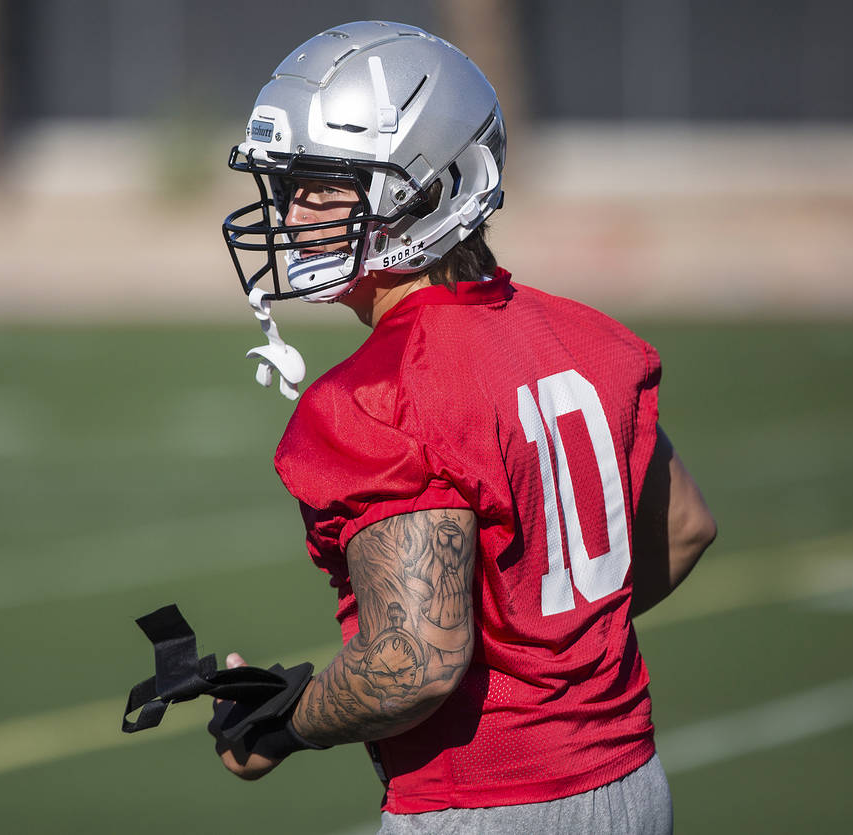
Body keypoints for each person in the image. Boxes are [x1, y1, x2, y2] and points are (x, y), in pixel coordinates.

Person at [214, 20, 716, 833]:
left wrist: (278, 720)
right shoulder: (590, 339)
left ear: (428, 190)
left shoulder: (376, 396)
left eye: (322, 186)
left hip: (482, 806)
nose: (292, 212)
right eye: (289, 186)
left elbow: (413, 665)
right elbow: (686, 528)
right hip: (631, 784)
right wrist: (544, 649)